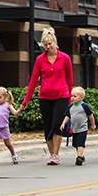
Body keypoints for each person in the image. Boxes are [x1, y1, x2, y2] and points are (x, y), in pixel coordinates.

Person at [21, 27, 74, 165]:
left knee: (57, 124)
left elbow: (69, 79)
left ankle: (56, 154)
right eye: (45, 45)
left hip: (61, 95)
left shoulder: (65, 58)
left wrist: (69, 98)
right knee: (48, 126)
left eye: (50, 44)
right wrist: (26, 100)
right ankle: (52, 155)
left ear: (55, 42)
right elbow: (33, 81)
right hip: (45, 96)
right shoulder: (40, 60)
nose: (48, 47)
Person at [59, 86, 96, 166]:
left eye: (75, 96)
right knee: (75, 144)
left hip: (83, 128)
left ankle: (79, 157)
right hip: (74, 129)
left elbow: (91, 116)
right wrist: (63, 123)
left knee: (80, 143)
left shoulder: (84, 106)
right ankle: (81, 156)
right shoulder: (70, 107)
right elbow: (67, 116)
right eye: (71, 96)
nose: (72, 98)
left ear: (81, 97)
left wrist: (93, 125)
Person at [0, 86, 22, 165]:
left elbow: (15, 113)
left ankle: (14, 155)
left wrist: (20, 109)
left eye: (0, 97)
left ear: (5, 97)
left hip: (4, 127)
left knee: (8, 143)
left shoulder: (8, 105)